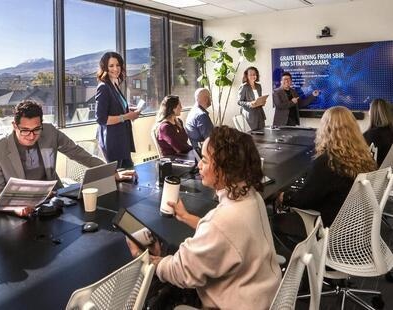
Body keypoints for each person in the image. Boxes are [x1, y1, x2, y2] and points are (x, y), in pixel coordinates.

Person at [128, 126, 281, 309]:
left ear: (225, 169)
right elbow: (228, 238)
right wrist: (186, 217)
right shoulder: (251, 196)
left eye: (205, 160)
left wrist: (142, 257)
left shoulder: (222, 221)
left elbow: (180, 271)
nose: (199, 165)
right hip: (265, 296)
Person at [274, 107, 377, 244]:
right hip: (354, 226)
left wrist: (283, 197)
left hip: (329, 228)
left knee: (273, 222)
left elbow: (304, 200)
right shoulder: (364, 157)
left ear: (325, 129)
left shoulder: (328, 161)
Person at [0, 100, 113, 193]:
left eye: (36, 129)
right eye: (25, 130)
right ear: (14, 126)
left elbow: (78, 153)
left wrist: (109, 171)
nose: (31, 136)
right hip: (18, 205)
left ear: (42, 123)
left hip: (52, 196)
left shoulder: (50, 131)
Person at [95, 51, 140, 169]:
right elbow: (101, 119)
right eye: (111, 66)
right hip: (113, 143)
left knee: (129, 176)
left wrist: (128, 110)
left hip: (122, 140)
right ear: (104, 67)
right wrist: (127, 116)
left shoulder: (114, 85)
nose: (116, 69)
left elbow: (115, 108)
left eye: (118, 65)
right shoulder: (104, 87)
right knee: (120, 180)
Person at [363, 98, 393, 166]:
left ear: (374, 113)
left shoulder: (368, 135)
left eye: (369, 109)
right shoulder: (390, 132)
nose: (368, 112)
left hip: (375, 174)